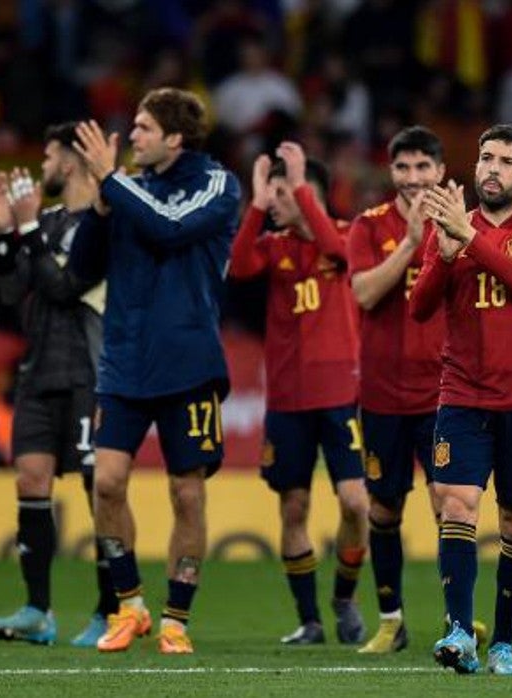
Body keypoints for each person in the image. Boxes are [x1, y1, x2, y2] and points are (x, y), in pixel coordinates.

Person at [67, 88, 242, 655]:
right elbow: (82, 269)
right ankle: (131, 606)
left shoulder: (217, 184)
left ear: (174, 137)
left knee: (186, 494)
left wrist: (112, 181)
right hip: (123, 363)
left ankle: (175, 619)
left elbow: (170, 226)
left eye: (143, 127)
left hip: (188, 364)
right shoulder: (125, 191)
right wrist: (98, 205)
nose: (133, 135)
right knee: (108, 482)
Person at [411, 124, 512, 675]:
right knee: (456, 504)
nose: (492, 169)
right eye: (485, 158)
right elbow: (419, 307)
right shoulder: (450, 229)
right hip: (462, 393)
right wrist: (447, 254)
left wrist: (469, 240)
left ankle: (503, 641)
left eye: (505, 161)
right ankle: (459, 631)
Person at [229, 142, 369, 646]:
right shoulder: (274, 245)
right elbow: (240, 265)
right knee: (293, 507)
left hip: (341, 395)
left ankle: (345, 599)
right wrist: (257, 202)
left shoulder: (350, 235)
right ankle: (309, 619)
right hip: (287, 399)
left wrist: (303, 190)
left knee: (356, 503)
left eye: (286, 189)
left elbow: (336, 251)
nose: (279, 198)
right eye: (277, 190)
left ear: (310, 191)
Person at [0, 123, 115, 648]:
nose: (41, 166)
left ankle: (111, 611)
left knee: (97, 491)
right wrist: (1, 234)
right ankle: (38, 611)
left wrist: (28, 228)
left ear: (73, 161)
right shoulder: (47, 221)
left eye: (48, 155)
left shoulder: (103, 222)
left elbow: (64, 288)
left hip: (88, 371)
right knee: (30, 481)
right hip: (38, 372)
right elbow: (13, 292)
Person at [345, 126, 447, 653]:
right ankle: (391, 620)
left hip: (445, 395)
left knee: (450, 504)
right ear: (391, 172)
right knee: (383, 510)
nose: (412, 179)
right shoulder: (368, 227)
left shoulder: (462, 227)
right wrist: (410, 242)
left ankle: (459, 619)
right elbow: (363, 293)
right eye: (403, 168)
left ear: (440, 172)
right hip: (384, 395)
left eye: (422, 168)